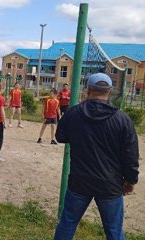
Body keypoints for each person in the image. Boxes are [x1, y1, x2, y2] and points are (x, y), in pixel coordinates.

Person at [54, 73, 139, 240]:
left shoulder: (73, 113)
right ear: (110, 91)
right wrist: (130, 180)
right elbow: (131, 154)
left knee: (67, 223)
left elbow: (60, 137)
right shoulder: (122, 118)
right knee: (114, 231)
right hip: (110, 183)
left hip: (80, 181)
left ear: (88, 90)